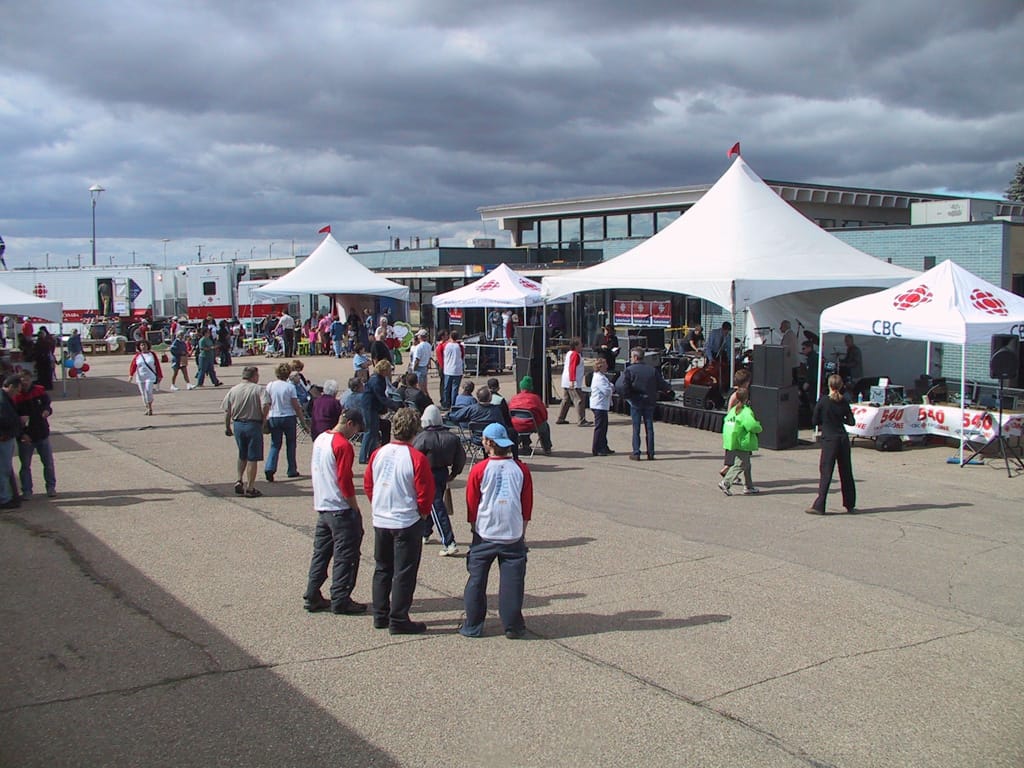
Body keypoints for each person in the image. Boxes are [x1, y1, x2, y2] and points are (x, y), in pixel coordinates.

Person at [363, 408, 435, 635]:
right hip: (406, 519)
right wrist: (422, 514)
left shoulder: (379, 453)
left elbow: (368, 484)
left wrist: (377, 504)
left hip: (382, 517)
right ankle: (399, 617)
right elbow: (425, 492)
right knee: (404, 571)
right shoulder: (416, 458)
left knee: (382, 567)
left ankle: (380, 613)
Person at [458, 423, 533, 640]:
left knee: (476, 580)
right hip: (512, 533)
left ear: (489, 444)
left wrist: (474, 527)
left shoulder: (480, 470)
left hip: (485, 532)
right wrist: (522, 530)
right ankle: (513, 626)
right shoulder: (521, 469)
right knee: (513, 582)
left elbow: (472, 504)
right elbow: (526, 505)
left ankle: (473, 625)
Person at [304, 408, 368, 614]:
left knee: (321, 553)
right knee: (346, 555)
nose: (355, 434)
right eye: (356, 429)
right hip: (339, 507)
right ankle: (341, 597)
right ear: (350, 423)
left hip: (323, 505)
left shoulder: (321, 439)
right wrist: (354, 506)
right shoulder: (342, 445)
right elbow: (344, 480)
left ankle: (312, 592)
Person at [413, 405, 467, 556]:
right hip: (443, 472)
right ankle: (426, 531)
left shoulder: (421, 438)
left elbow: (414, 458)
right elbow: (460, 458)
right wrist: (454, 473)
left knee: (436, 506)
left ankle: (449, 541)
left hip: (426, 474)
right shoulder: (452, 437)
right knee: (434, 505)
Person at [807, 374, 857, 515]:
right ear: (841, 386)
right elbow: (851, 421)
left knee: (826, 472)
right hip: (842, 438)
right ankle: (850, 503)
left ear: (829, 385)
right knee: (846, 471)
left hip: (830, 439)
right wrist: (840, 418)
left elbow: (815, 420)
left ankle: (820, 504)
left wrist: (826, 420)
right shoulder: (844, 401)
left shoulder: (823, 401)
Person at [222, 366, 271, 498]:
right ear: (254, 376)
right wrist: (263, 419)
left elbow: (227, 410)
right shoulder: (259, 389)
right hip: (253, 423)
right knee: (252, 457)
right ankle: (250, 487)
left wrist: (227, 426)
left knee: (242, 454)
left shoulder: (234, 389)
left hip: (238, 424)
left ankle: (239, 479)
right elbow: (265, 404)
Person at [614, 347, 668, 460]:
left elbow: (621, 385)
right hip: (649, 401)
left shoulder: (629, 370)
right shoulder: (652, 370)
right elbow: (663, 385)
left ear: (634, 357)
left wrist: (627, 396)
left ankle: (636, 452)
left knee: (636, 428)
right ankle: (651, 452)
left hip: (636, 401)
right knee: (649, 428)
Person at [15, 371, 56, 499]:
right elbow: (12, 419)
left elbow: (48, 406)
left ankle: (51, 487)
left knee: (48, 463)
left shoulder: (39, 391)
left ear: (31, 379)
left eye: (27, 379)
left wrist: (46, 411)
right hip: (26, 437)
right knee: (25, 466)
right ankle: (27, 490)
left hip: (42, 433)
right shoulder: (16, 396)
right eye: (22, 379)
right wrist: (21, 434)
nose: (25, 382)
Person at [265, 362, 305, 482]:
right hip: (288, 416)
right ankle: (291, 469)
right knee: (291, 444)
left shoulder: (270, 385)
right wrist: (302, 421)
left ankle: (270, 467)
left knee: (275, 444)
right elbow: (295, 405)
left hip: (274, 415)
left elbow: (267, 402)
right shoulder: (289, 387)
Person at [718, 388, 762, 496]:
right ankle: (726, 482)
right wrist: (759, 427)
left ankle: (749, 486)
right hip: (742, 441)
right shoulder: (746, 411)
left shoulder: (733, 410)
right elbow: (751, 425)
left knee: (747, 464)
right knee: (741, 464)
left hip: (733, 439)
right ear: (747, 399)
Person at [359, 360, 399, 465]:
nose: (390, 371)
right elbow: (381, 397)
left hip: (372, 406)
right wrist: (395, 406)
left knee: (374, 430)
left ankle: (371, 454)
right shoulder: (376, 380)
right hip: (369, 407)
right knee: (370, 431)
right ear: (384, 370)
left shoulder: (378, 378)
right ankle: (363, 457)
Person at [720, 368, 753, 477]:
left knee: (735, 452)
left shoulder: (741, 393)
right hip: (736, 426)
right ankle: (727, 471)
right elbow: (730, 410)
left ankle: (733, 474)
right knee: (739, 453)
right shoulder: (736, 395)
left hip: (736, 426)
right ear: (746, 383)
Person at [508, 376, 552, 455]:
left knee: (521, 423)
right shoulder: (535, 398)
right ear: (531, 388)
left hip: (516, 426)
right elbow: (544, 415)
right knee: (545, 426)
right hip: (532, 425)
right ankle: (547, 448)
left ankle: (525, 446)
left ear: (521, 387)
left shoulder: (514, 398)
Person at [0, 375, 22, 510]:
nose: (17, 394)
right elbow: (4, 420)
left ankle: (7, 496)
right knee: (4, 470)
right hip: (4, 438)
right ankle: (4, 498)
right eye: (17, 390)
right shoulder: (2, 400)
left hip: (6, 437)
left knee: (5, 469)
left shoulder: (5, 398)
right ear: (11, 387)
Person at [555, 338, 589, 426]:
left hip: (566, 380)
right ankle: (581, 420)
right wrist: (572, 380)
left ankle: (561, 417)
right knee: (579, 400)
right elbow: (572, 367)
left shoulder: (570, 353)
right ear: (576, 346)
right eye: (580, 344)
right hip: (573, 381)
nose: (582, 345)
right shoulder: (575, 354)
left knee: (566, 400)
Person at [128, 339, 163, 416]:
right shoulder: (138, 356)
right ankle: (147, 407)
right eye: (141, 345)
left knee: (148, 391)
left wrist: (160, 375)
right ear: (139, 347)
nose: (143, 347)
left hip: (150, 376)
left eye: (144, 345)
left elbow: (157, 365)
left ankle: (150, 407)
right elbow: (133, 365)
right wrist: (131, 375)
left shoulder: (152, 355)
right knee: (143, 393)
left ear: (148, 346)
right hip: (141, 377)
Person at [589, 357, 615, 456]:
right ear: (600, 366)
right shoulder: (599, 378)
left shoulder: (601, 377)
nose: (607, 366)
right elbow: (607, 390)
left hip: (602, 405)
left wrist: (610, 386)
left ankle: (604, 446)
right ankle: (597, 448)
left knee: (604, 427)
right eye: (605, 364)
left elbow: (609, 386)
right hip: (599, 405)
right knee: (600, 427)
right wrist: (611, 387)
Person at [442, 330, 465, 410]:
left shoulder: (446, 345)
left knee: (446, 388)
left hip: (448, 369)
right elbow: (462, 356)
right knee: (455, 389)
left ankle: (446, 404)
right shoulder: (460, 346)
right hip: (457, 370)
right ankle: (453, 404)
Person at [409, 330, 433, 396]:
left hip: (418, 368)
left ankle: (422, 402)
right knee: (424, 387)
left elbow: (417, 359)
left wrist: (414, 368)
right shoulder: (429, 345)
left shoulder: (418, 347)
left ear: (420, 337)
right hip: (425, 367)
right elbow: (429, 358)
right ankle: (427, 400)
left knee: (419, 388)